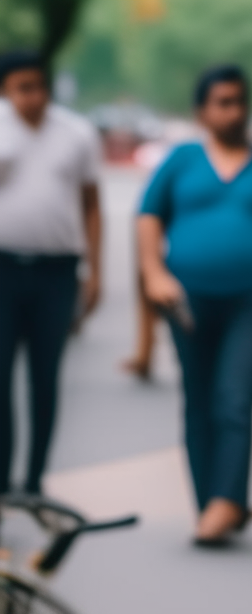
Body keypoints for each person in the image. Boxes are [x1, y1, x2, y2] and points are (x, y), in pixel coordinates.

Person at [137, 65, 252, 546]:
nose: (234, 111)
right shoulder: (181, 160)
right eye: (222, 102)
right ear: (202, 111)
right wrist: (153, 272)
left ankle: (227, 501)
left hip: (248, 303)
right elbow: (148, 216)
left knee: (234, 400)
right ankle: (212, 502)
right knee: (198, 403)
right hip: (185, 300)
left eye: (240, 101)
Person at [0, 50, 103, 497]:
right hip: (3, 267)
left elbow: (92, 204)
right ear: (6, 89)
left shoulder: (76, 133)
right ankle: (2, 484)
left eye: (38, 86)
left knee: (46, 377)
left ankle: (36, 480)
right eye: (22, 88)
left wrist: (95, 270)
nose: (32, 97)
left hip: (57, 273)